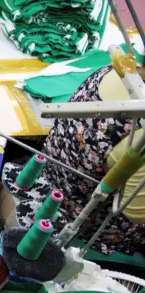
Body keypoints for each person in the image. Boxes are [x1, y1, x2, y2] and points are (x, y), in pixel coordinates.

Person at [31, 64, 145, 255]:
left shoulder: (116, 69)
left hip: (51, 177)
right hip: (87, 227)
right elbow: (136, 216)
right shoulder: (138, 137)